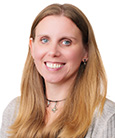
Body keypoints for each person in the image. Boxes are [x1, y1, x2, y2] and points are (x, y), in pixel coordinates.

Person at [0, 3, 115, 138]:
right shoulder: (15, 110)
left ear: (86, 51)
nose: (53, 52)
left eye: (66, 42)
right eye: (44, 40)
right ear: (31, 47)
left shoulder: (106, 117)